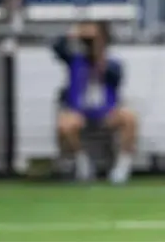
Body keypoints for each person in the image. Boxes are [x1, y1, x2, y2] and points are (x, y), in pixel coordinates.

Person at [54, 22, 137, 184]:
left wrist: (99, 54)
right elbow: (57, 48)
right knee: (65, 123)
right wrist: (75, 33)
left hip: (105, 112)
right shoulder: (75, 61)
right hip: (80, 112)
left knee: (130, 118)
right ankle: (82, 163)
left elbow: (115, 76)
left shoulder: (112, 65)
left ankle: (122, 166)